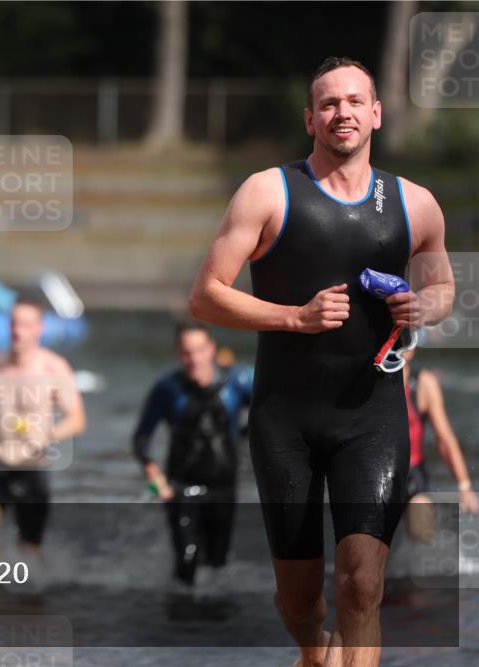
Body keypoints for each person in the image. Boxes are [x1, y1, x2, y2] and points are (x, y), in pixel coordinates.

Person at [188, 57, 455, 667]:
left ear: (376, 114)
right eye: (330, 103)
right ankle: (312, 651)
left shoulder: (416, 204)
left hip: (373, 416)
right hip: (285, 420)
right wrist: (293, 317)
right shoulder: (267, 191)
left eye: (356, 101)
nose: (344, 112)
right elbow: (206, 295)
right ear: (311, 118)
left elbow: (442, 289)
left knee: (362, 585)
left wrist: (422, 306)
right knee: (300, 599)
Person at [0, 298, 86, 562]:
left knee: (30, 549)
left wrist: (47, 435)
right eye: (14, 324)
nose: (18, 331)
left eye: (26, 325)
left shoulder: (54, 368)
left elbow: (76, 419)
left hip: (32, 467)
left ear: (40, 328)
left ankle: (28, 597)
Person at [132, 321, 252, 586]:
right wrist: (154, 476)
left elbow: (273, 400)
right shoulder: (167, 389)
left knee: (216, 562)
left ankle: (210, 621)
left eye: (199, 350)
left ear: (211, 349)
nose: (194, 359)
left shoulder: (238, 381)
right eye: (187, 352)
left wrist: (249, 432)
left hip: (223, 487)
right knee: (187, 560)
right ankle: (179, 617)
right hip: (181, 486)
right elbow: (141, 439)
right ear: (178, 353)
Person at [401, 346, 478, 543]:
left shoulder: (424, 384)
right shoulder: (369, 380)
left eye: (407, 337)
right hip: (373, 472)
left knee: (422, 520)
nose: (402, 344)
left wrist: (464, 485)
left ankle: (423, 564)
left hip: (411, 475)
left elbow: (445, 439)